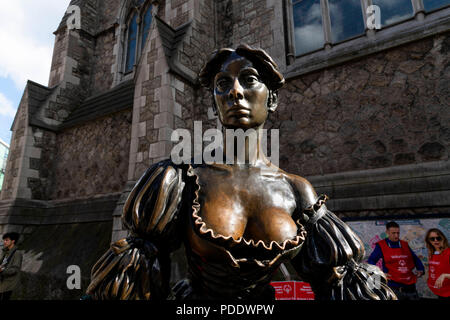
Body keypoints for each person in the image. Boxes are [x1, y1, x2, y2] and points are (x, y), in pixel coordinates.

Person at [86, 44, 395, 300]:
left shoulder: (297, 190)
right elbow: (133, 277)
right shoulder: (177, 178)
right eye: (223, 84)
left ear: (271, 98)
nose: (235, 91)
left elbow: (340, 281)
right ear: (215, 103)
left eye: (248, 80)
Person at [368, 221, 424, 300]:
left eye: (398, 233)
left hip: (410, 287)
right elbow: (371, 260)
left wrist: (420, 269)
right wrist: (379, 273)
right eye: (393, 233)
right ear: (387, 232)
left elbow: (415, 258)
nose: (396, 235)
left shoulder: (404, 244)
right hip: (393, 288)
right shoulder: (381, 245)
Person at [425, 228, 450, 300]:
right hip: (439, 293)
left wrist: (444, 275)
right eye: (432, 239)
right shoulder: (432, 254)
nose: (435, 240)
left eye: (438, 238)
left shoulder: (448, 253)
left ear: (443, 239)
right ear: (429, 241)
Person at [0, 232, 23, 300]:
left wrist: (2, 270)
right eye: (4, 240)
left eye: (7, 240)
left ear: (13, 241)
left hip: (10, 282)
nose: (4, 242)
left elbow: (15, 270)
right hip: (3, 280)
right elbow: (2, 263)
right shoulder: (6, 252)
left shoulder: (17, 253)